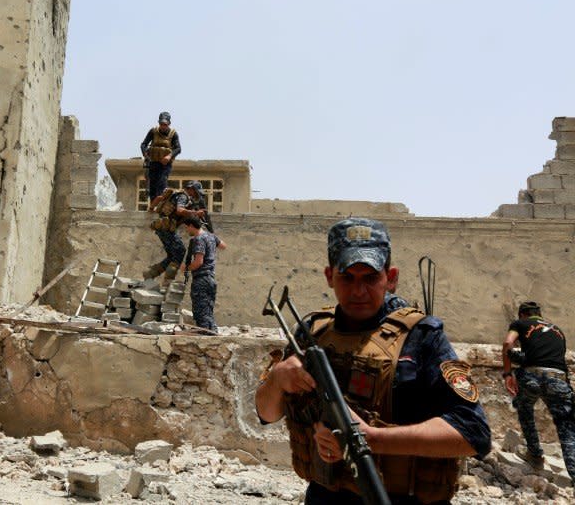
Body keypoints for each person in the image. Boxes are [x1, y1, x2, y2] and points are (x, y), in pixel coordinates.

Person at [255, 217, 491, 505]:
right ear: (329, 276)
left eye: (370, 278)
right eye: (347, 277)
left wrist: (371, 438)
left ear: (390, 277)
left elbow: (473, 434)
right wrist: (279, 378)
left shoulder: (422, 336)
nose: (358, 291)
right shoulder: (312, 333)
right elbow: (266, 414)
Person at [502, 301, 575, 480]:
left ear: (522, 315)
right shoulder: (558, 331)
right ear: (539, 314)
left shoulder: (520, 324)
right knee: (567, 429)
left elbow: (507, 343)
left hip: (530, 377)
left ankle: (535, 455)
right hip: (558, 379)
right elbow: (548, 357)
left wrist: (507, 374)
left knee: (525, 408)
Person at [143, 185, 205, 283]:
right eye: (195, 193)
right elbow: (179, 210)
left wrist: (151, 208)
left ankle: (150, 274)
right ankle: (167, 281)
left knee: (173, 256)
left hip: (162, 227)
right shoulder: (183, 196)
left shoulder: (176, 193)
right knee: (180, 251)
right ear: (191, 189)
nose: (195, 196)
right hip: (166, 229)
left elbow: (159, 198)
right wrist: (195, 213)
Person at [181, 215, 226, 332]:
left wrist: (186, 268)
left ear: (191, 226)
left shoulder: (199, 239)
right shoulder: (210, 236)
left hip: (201, 279)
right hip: (210, 278)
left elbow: (198, 262)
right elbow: (223, 245)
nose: (187, 231)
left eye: (187, 228)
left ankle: (205, 335)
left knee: (201, 311)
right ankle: (212, 332)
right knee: (208, 310)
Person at [140, 111, 181, 201]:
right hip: (153, 163)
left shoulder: (173, 134)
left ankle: (161, 205)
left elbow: (178, 149)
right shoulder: (153, 131)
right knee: (152, 186)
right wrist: (146, 155)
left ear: (169, 123)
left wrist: (169, 156)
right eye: (161, 124)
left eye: (165, 124)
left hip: (165, 165)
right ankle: (153, 205)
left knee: (162, 184)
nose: (163, 126)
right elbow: (143, 144)